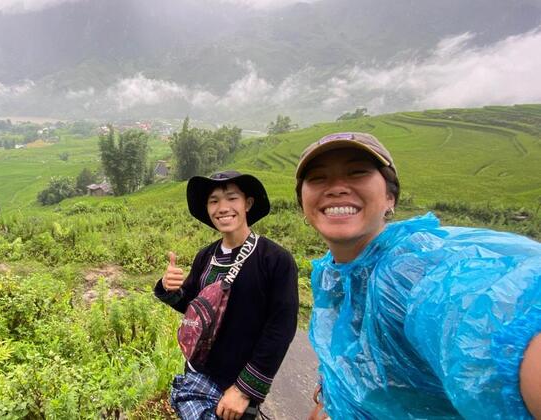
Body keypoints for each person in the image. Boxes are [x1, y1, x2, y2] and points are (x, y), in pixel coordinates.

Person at [295, 132, 541, 419]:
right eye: (318, 178)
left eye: (357, 172)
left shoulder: (410, 270)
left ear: (390, 197)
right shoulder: (332, 273)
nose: (337, 187)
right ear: (303, 203)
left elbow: (480, 309)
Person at [154, 170, 299, 420]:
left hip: (235, 385)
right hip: (197, 373)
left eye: (232, 198)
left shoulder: (274, 259)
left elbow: (280, 328)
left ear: (247, 204)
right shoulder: (206, 256)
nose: (223, 208)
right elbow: (194, 308)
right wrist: (169, 287)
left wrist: (244, 390)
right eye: (214, 201)